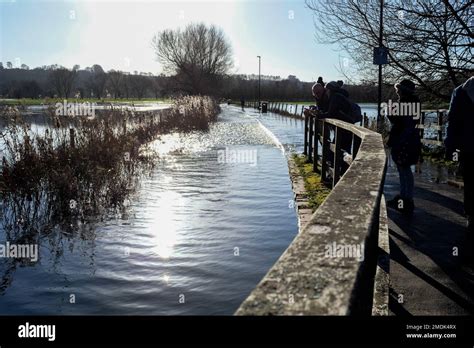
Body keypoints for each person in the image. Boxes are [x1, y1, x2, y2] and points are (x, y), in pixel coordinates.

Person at [445, 76, 474, 259]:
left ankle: (471, 219)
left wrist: (450, 147)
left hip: (469, 148)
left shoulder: (461, 92)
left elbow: (453, 122)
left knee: (470, 184)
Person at [386, 79, 421, 215]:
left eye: (398, 90)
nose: (397, 92)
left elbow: (399, 122)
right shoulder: (414, 102)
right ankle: (405, 198)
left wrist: (390, 111)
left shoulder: (406, 103)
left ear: (403, 90)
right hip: (409, 139)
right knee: (405, 169)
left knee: (403, 169)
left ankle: (406, 200)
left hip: (403, 140)